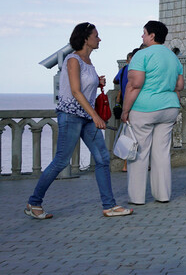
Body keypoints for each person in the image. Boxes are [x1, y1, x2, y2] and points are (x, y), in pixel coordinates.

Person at [26, 22, 133, 219]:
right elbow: (75, 91)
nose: (99, 39)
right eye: (96, 35)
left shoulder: (88, 61)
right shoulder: (73, 60)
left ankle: (109, 206)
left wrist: (97, 82)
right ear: (85, 38)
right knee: (61, 161)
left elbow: (83, 86)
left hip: (86, 117)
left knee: (102, 159)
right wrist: (95, 116)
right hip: (72, 116)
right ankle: (34, 202)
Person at [122, 20, 184, 205]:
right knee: (162, 153)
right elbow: (179, 85)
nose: (142, 36)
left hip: (145, 109)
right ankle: (163, 195)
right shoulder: (173, 57)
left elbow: (135, 84)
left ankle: (137, 197)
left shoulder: (142, 55)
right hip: (169, 108)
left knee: (139, 153)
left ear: (152, 35)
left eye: (144, 33)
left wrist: (125, 110)